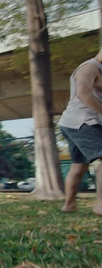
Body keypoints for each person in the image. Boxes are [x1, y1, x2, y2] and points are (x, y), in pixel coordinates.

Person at [58, 48, 102, 216]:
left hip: (73, 123)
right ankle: (100, 205)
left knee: (79, 166)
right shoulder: (88, 67)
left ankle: (69, 205)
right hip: (82, 122)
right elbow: (83, 94)